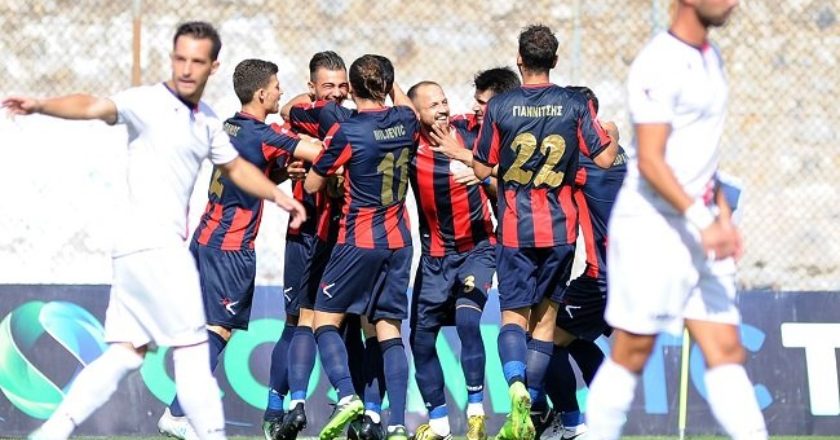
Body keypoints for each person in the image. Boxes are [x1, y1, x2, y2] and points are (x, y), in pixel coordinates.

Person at [4, 21, 305, 440]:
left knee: (126, 354)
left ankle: (52, 432)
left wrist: (277, 195)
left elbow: (236, 168)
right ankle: (205, 431)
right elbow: (93, 106)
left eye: (196, 61)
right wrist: (41, 105)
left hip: (143, 249)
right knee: (195, 348)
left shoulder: (208, 121)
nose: (186, 68)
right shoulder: (147, 102)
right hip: (155, 248)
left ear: (213, 67)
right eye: (180, 58)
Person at [584, 1, 768, 440]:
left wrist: (722, 213)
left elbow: (702, 153)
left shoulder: (711, 57)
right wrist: (704, 220)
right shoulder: (659, 62)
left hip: (702, 226)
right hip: (654, 229)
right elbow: (651, 160)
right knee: (632, 349)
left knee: (725, 347)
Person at [151, 58, 322, 440]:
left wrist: (283, 172)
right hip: (230, 247)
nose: (280, 91)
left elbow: (252, 172)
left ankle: (184, 411)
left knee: (204, 330)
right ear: (261, 94)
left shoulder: (231, 125)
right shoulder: (262, 133)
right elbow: (317, 153)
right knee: (219, 330)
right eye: (276, 86)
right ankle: (177, 412)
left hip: (205, 237)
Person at [470, 24, 618, 440]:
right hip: (559, 229)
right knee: (546, 322)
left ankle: (518, 387)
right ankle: (533, 401)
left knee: (513, 318)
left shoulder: (501, 106)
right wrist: (613, 134)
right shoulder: (574, 103)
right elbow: (605, 158)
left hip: (515, 228)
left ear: (519, 60)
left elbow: (481, 168)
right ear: (554, 60)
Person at [303, 54, 417, 440]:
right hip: (400, 241)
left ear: (350, 89)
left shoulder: (348, 130)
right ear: (387, 85)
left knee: (323, 320)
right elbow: (405, 104)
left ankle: (348, 395)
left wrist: (331, 175)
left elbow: (312, 185)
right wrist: (390, 81)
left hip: (358, 240)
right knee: (388, 330)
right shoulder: (407, 120)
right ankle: (396, 423)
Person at [262, 51, 368, 440]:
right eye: (328, 86)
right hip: (306, 233)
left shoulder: (354, 121)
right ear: (312, 88)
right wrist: (291, 165)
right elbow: (287, 110)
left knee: (349, 326)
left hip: (346, 236)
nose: (337, 94)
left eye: (342, 86)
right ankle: (277, 410)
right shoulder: (305, 118)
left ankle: (357, 415)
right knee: (296, 321)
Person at [404, 81, 496, 440]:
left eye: (443, 101)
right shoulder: (408, 143)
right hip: (434, 260)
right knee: (421, 340)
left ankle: (475, 413)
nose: (443, 109)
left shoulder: (470, 131)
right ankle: (439, 423)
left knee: (468, 321)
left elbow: (506, 162)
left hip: (477, 249)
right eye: (433, 105)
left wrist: (477, 167)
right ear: (416, 113)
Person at [533, 86, 626, 440]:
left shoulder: (582, 158)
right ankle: (606, 420)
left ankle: (571, 425)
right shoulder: (617, 151)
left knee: (543, 340)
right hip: (627, 275)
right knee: (575, 339)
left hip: (603, 277)